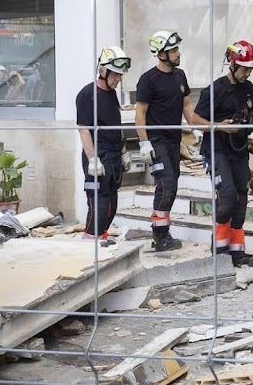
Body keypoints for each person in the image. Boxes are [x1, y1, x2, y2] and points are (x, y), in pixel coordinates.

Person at [194, 40, 253, 268]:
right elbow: (196, 121)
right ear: (232, 64)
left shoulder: (248, 89)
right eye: (244, 68)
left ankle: (237, 253)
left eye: (250, 69)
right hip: (216, 149)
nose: (248, 73)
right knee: (227, 196)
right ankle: (219, 251)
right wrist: (220, 126)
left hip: (239, 150)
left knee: (241, 197)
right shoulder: (215, 90)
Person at [134, 30, 211, 252]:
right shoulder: (148, 80)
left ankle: (161, 233)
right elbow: (140, 113)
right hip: (156, 140)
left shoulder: (180, 76)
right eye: (173, 50)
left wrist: (197, 128)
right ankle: (159, 235)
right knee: (166, 184)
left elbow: (187, 106)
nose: (178, 53)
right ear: (161, 54)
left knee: (172, 185)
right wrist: (144, 142)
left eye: (177, 49)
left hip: (173, 140)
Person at [76, 46, 132, 245]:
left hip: (114, 154)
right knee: (99, 202)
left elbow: (116, 125)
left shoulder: (111, 94)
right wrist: (92, 159)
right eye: (115, 75)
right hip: (98, 153)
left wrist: (124, 152)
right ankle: (90, 242)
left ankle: (102, 238)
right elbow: (84, 129)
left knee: (111, 203)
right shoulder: (87, 95)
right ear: (103, 71)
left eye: (120, 76)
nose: (118, 80)